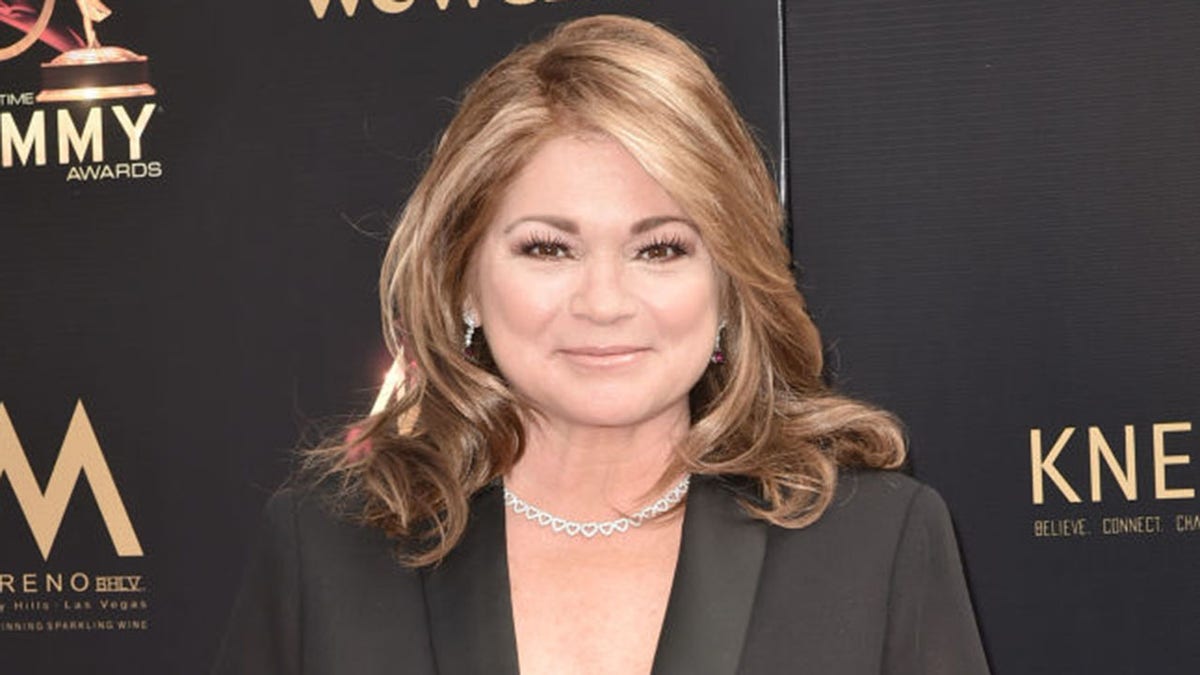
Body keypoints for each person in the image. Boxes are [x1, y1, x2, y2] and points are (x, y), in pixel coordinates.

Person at [212, 14, 990, 675]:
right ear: (462, 280)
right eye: (549, 248)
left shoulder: (874, 542)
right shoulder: (327, 549)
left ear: (730, 283)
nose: (605, 302)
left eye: (661, 249)